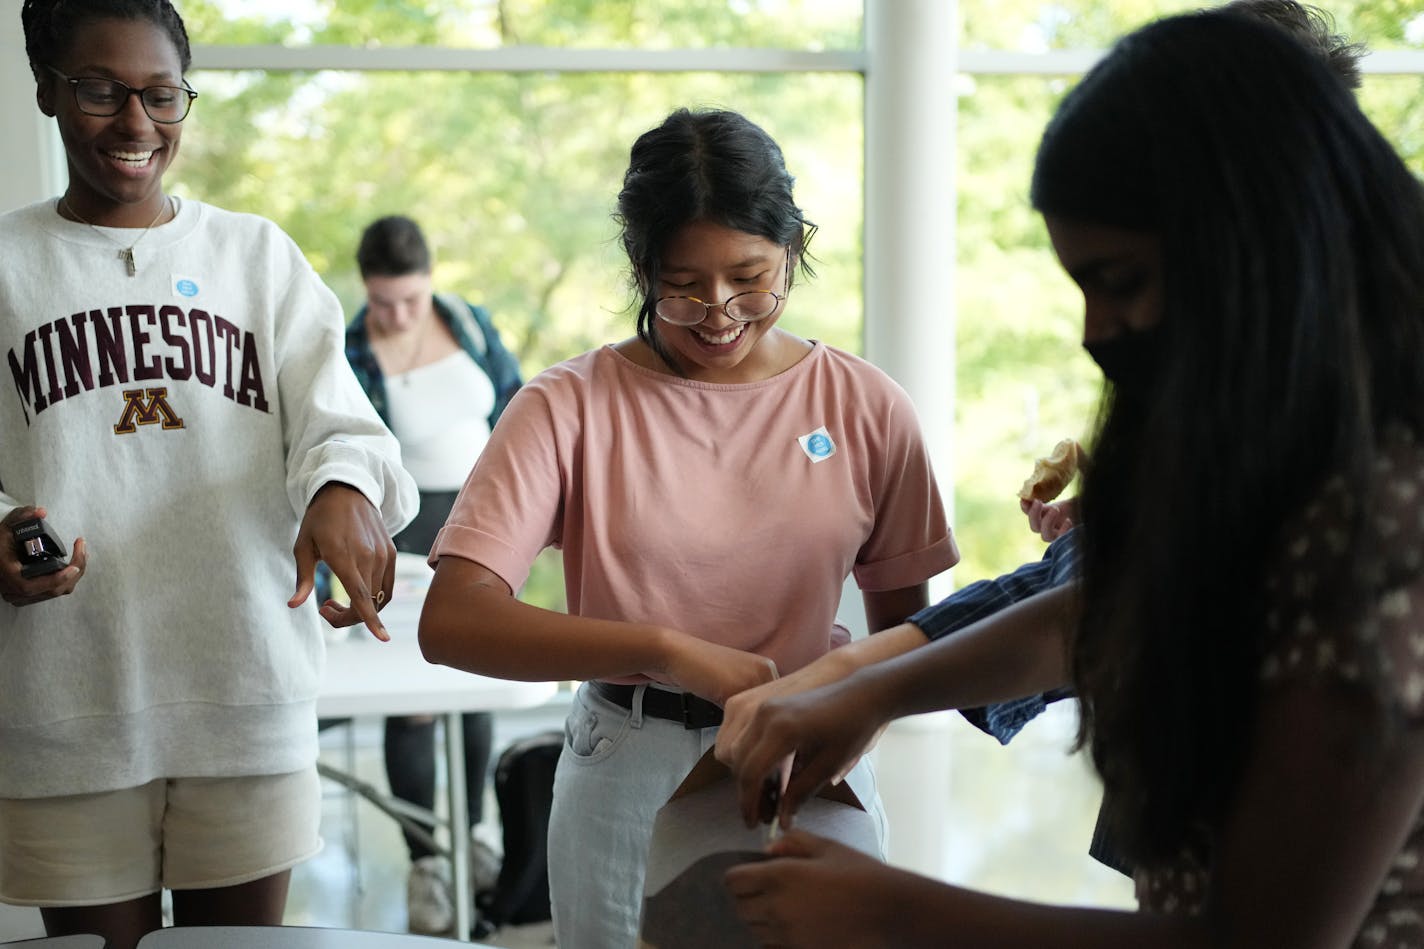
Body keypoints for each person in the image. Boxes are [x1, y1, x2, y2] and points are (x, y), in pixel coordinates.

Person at [716, 7, 1424, 946]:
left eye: (1123, 281)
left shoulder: (1383, 507)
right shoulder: (1279, 433)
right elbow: (1110, 606)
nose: (1097, 331)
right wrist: (870, 689)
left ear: (1250, 243)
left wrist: (895, 909)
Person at [417, 107, 959, 949]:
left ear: (794, 247)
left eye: (750, 277)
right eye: (682, 284)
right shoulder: (567, 405)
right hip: (627, 759)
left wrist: (850, 726)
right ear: (641, 268)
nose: (719, 312)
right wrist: (671, 650)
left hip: (804, 755)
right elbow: (453, 619)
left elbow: (908, 635)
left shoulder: (867, 406)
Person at [0, 3, 417, 949]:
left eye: (161, 94)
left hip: (245, 688)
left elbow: (343, 426)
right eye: (100, 91)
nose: (136, 122)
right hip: (69, 704)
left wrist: (340, 488)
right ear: (47, 93)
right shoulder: (7, 263)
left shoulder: (255, 256)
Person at [343, 214, 522, 935]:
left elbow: (516, 403)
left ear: (431, 281)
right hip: (405, 532)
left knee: (472, 684)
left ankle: (471, 836)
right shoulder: (352, 347)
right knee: (412, 698)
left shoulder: (469, 322)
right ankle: (425, 861)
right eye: (384, 301)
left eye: (410, 300)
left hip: (484, 520)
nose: (397, 314)